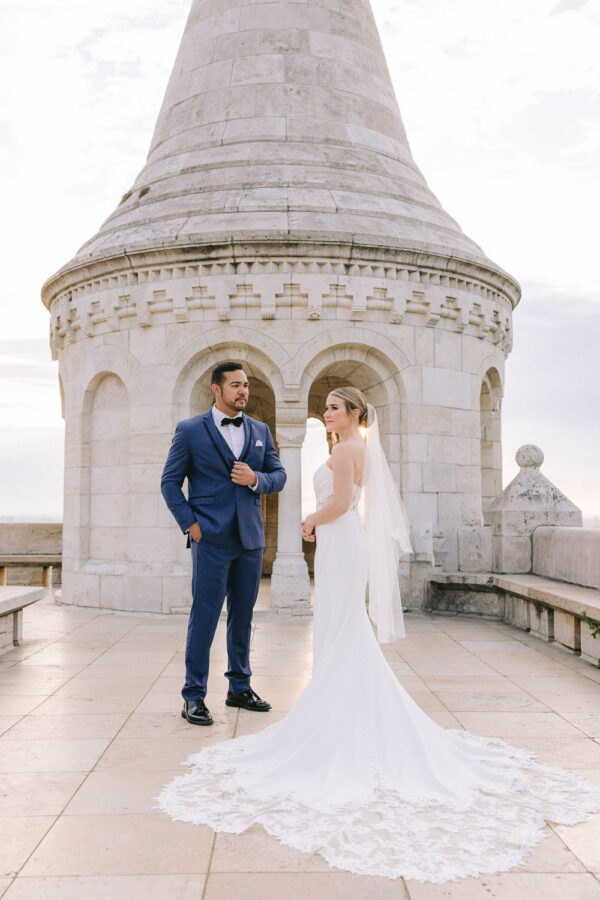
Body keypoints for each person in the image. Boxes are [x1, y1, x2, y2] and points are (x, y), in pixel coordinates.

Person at [158, 386, 600, 883]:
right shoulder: (354, 448)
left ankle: (339, 719)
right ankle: (332, 707)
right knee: (343, 628)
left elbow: (343, 504)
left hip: (340, 543)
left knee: (343, 627)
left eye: (332, 408)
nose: (324, 414)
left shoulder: (347, 450)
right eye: (324, 407)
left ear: (353, 414)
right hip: (337, 546)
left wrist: (309, 519)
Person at [160, 361, 286, 726]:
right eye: (235, 385)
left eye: (245, 384)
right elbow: (170, 482)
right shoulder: (189, 430)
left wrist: (255, 479)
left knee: (244, 617)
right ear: (217, 389)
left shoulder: (260, 430)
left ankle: (239, 688)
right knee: (204, 618)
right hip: (210, 538)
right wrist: (191, 525)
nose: (242, 391)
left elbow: (278, 476)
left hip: (250, 538)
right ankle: (194, 696)